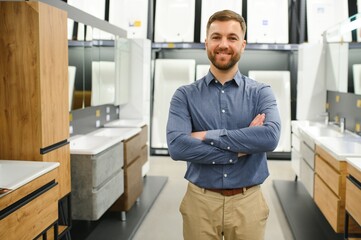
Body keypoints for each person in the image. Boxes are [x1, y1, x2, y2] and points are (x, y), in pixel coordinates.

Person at [166, 9, 281, 240]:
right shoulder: (184, 95)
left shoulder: (261, 93)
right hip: (200, 203)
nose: (223, 44)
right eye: (216, 37)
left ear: (243, 44)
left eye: (232, 37)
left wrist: (204, 135)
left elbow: (270, 137)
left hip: (248, 202)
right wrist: (242, 147)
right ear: (206, 42)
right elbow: (178, 147)